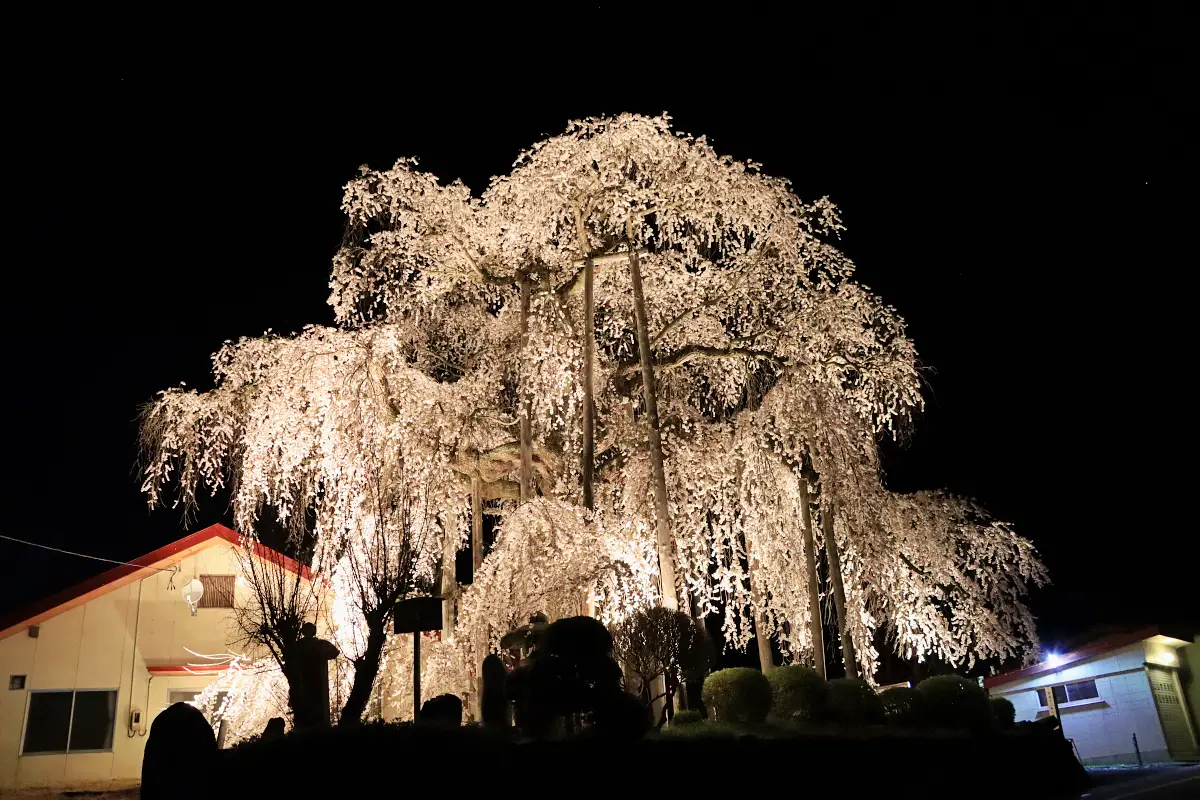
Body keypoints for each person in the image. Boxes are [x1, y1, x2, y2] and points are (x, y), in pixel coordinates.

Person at [284, 622, 339, 728]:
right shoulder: (321, 644)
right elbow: (335, 652)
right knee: (318, 711)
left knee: (306, 712)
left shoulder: (298, 646)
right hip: (317, 682)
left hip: (304, 682)